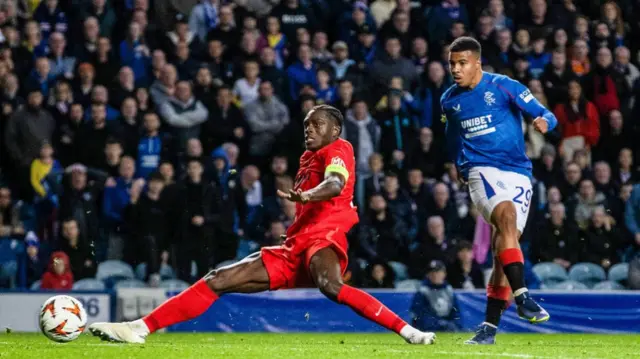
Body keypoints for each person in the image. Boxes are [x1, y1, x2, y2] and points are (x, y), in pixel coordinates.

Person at [88, 105, 435, 345]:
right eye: (306, 126)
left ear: (335, 130)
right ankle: (139, 327)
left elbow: (335, 184)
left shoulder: (339, 148)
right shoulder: (306, 158)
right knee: (217, 279)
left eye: (316, 125)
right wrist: (298, 215)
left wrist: (306, 196)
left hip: (324, 238)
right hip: (294, 245)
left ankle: (407, 330)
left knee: (330, 286)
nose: (309, 130)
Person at [442, 37, 557, 345]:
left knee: (503, 252)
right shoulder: (449, 101)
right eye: (452, 63)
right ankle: (523, 298)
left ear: (477, 63)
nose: (455, 69)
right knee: (505, 216)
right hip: (480, 169)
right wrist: (459, 166)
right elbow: (452, 137)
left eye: (462, 63)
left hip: (519, 173)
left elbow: (547, 114)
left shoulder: (505, 86)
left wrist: (543, 122)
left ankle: (488, 330)